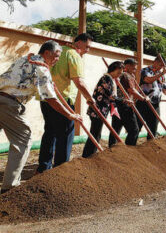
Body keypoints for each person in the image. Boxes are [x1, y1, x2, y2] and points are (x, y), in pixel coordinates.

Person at [0, 41, 82, 193]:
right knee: (23, 140)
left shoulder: (25, 59)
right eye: (56, 56)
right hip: (9, 104)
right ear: (47, 53)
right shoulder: (41, 69)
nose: (57, 59)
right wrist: (69, 114)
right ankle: (9, 188)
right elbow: (50, 99)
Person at [37, 32, 95, 173]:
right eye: (86, 47)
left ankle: (43, 167)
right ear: (79, 42)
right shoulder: (73, 55)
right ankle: (61, 170)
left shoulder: (57, 51)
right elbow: (79, 81)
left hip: (46, 99)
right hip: (63, 100)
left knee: (49, 132)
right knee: (66, 134)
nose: (87, 50)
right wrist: (89, 97)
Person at [82, 61, 124, 158]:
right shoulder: (107, 78)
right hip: (98, 110)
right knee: (95, 134)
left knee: (96, 133)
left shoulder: (111, 79)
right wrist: (124, 101)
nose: (119, 75)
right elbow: (111, 96)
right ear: (113, 70)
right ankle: (88, 155)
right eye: (118, 72)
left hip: (101, 110)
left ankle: (90, 154)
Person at [110, 58, 145, 147]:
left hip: (118, 105)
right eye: (134, 68)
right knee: (134, 130)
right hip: (124, 104)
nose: (135, 69)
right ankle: (130, 149)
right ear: (128, 66)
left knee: (116, 129)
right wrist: (143, 98)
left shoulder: (128, 76)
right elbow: (131, 90)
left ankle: (111, 149)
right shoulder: (125, 75)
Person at [138, 57, 166, 138]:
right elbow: (148, 80)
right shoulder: (145, 70)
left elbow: (164, 91)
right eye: (160, 65)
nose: (161, 67)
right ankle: (131, 146)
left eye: (163, 66)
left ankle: (150, 147)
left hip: (155, 104)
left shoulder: (162, 76)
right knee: (137, 126)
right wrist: (161, 73)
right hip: (143, 102)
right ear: (155, 62)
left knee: (153, 128)